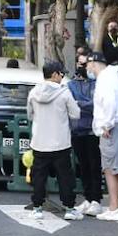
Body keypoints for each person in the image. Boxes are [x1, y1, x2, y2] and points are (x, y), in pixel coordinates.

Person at [25, 60, 83, 220]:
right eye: (61, 73)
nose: (62, 76)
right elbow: (76, 114)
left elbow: (29, 115)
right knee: (65, 177)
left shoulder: (34, 92)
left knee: (39, 176)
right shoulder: (64, 93)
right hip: (60, 142)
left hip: (39, 142)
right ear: (55, 74)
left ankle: (37, 208)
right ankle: (69, 208)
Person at [87, 52, 118, 221]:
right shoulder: (114, 77)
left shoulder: (106, 78)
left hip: (116, 126)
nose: (87, 68)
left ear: (94, 63)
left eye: (88, 63)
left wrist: (107, 124)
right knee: (109, 169)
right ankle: (114, 206)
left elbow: (109, 102)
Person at [68, 48, 103, 215]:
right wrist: (84, 104)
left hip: (93, 129)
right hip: (77, 129)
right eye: (80, 63)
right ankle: (88, 197)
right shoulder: (71, 84)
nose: (83, 66)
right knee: (83, 166)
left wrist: (80, 104)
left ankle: (96, 198)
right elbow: (72, 104)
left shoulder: (97, 83)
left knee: (94, 165)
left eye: (85, 63)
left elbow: (95, 104)